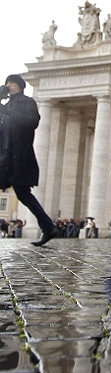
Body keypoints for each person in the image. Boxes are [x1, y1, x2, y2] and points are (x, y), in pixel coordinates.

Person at [0, 75, 58, 245]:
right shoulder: (6, 105)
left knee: (24, 195)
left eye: (11, 83)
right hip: (4, 156)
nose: (8, 85)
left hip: (19, 156)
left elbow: (32, 122)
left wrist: (8, 111)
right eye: (6, 83)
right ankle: (48, 227)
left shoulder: (27, 102)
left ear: (19, 85)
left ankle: (48, 227)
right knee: (24, 195)